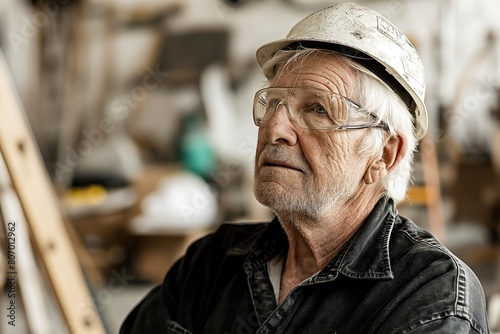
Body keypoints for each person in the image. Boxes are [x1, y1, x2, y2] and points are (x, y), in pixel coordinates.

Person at [120, 3, 490, 333]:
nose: (275, 129)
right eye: (274, 103)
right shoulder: (211, 264)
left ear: (385, 155)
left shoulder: (430, 295)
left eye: (318, 109)